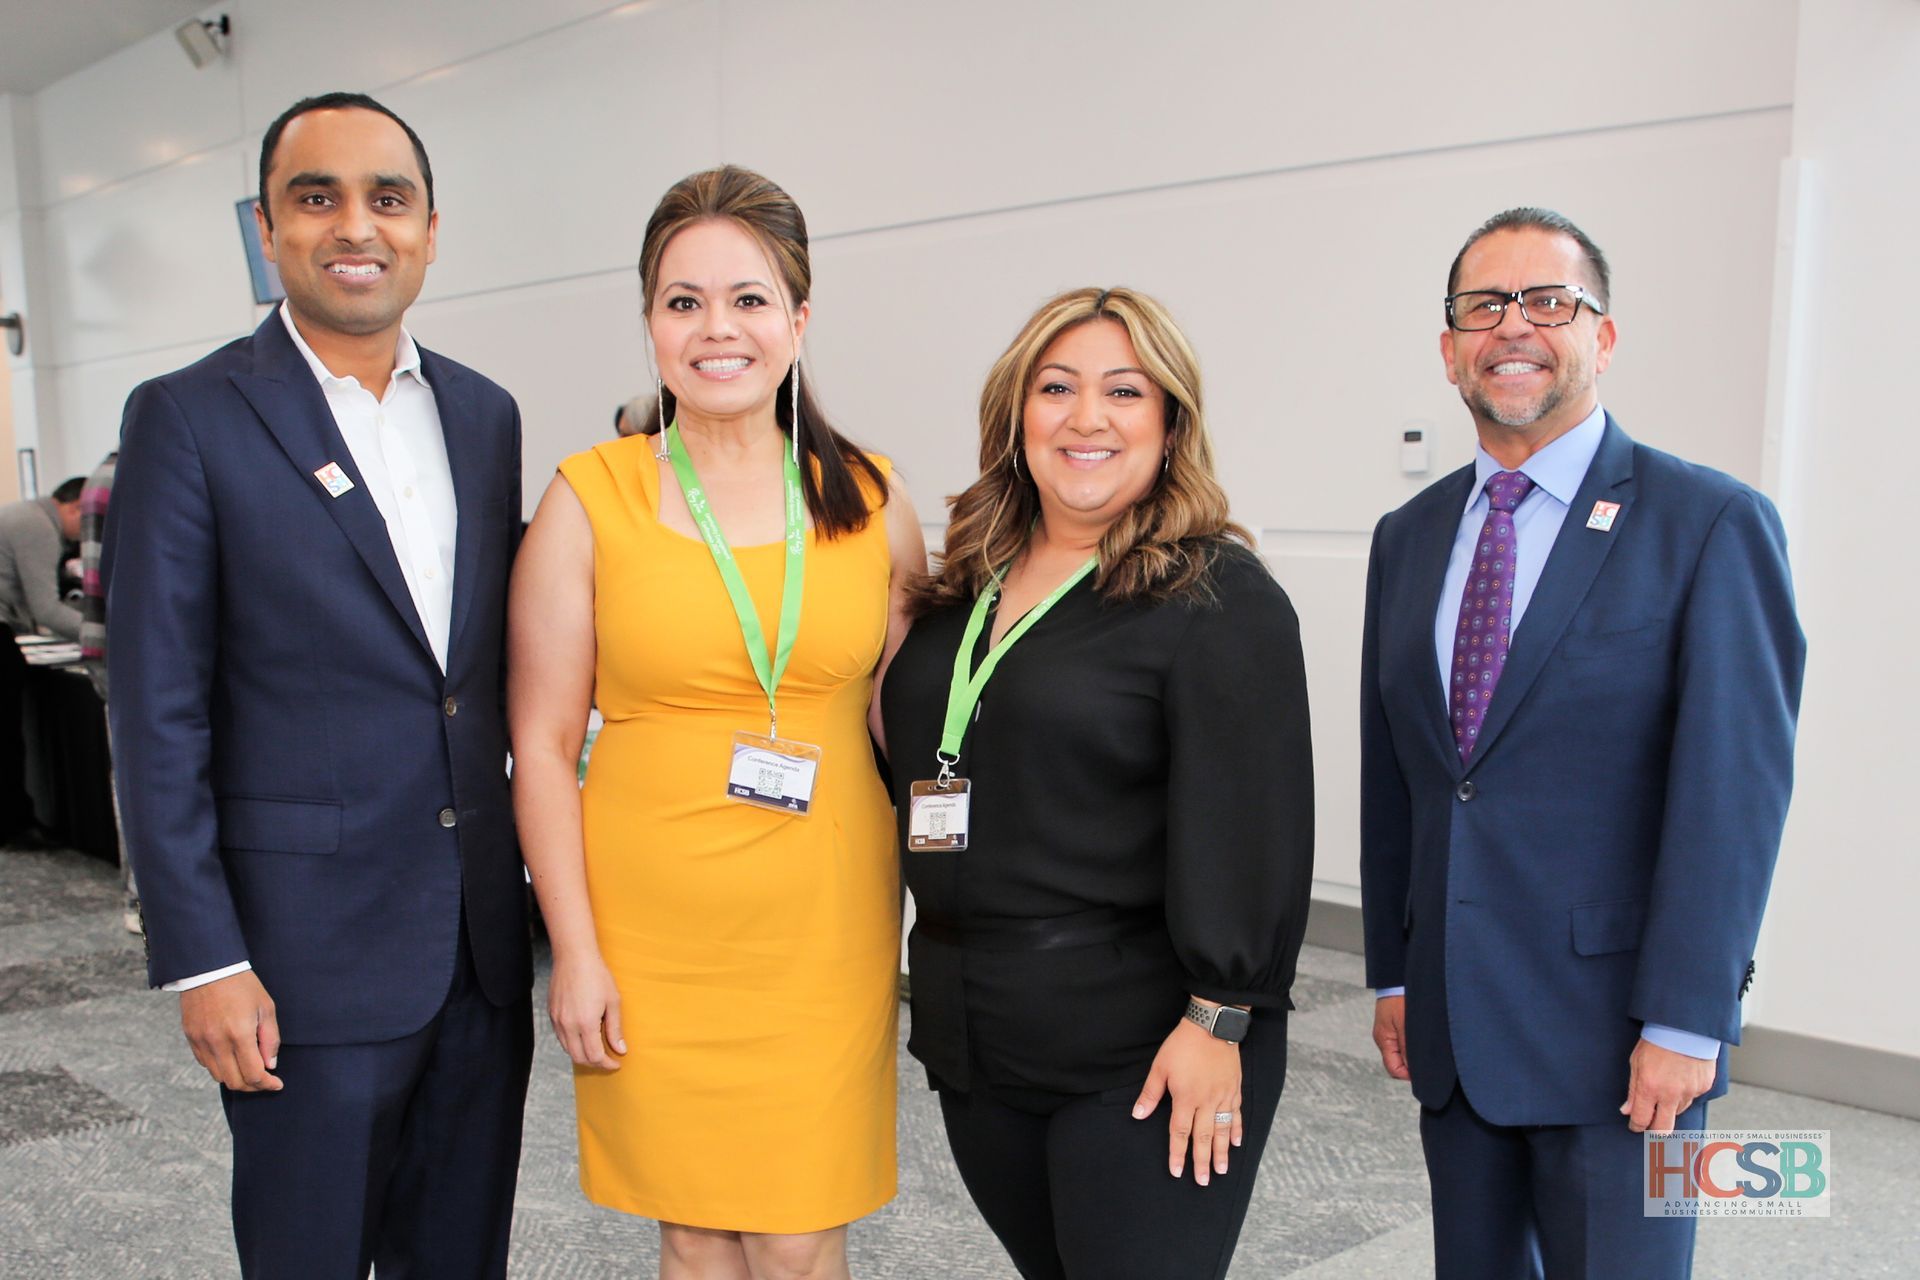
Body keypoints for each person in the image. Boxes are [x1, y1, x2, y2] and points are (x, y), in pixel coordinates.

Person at [102, 93, 533, 1279]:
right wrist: (204, 957)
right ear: (267, 227)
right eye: (318, 196)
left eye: (388, 199)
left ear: (430, 230)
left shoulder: (485, 416)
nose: (358, 225)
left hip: (478, 959)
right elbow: (156, 710)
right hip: (300, 964)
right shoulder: (190, 416)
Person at [1359, 208, 1805, 1279]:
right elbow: (1401, 776)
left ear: (1601, 338)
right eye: (1483, 305)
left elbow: (1732, 794)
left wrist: (1691, 1020)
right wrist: (1393, 970)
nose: (1513, 326)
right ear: (1449, 347)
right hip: (1456, 1031)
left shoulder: (1708, 524)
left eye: (1548, 301)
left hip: (1625, 1044)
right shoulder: (1408, 538)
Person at [510, 164, 924, 1280]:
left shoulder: (875, 502)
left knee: (798, 1231)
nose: (715, 329)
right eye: (681, 301)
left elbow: (921, 730)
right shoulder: (586, 498)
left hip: (823, 929)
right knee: (692, 1230)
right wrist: (577, 951)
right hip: (650, 935)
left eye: (747, 298)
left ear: (798, 316)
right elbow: (541, 747)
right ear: (649, 322)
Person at [879, 286, 1314, 1280]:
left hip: (1146, 1044)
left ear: (1169, 425)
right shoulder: (958, 594)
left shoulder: (1213, 595)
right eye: (1057, 386)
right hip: (976, 1039)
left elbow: (1256, 827)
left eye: (1125, 390)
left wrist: (1220, 1018)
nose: (1087, 416)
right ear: (1015, 415)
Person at [0, 476, 85, 849]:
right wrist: (105, 634)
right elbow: (46, 608)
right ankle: (14, 826)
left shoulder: (22, 514)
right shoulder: (37, 525)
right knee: (5, 736)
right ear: (74, 507)